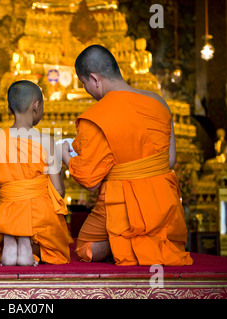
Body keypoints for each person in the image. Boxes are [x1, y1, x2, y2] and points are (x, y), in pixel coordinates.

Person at [61, 45, 193, 266]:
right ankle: (149, 239)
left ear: (95, 79)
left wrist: (65, 155)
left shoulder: (96, 117)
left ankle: (128, 242)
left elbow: (89, 181)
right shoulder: (159, 102)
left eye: (84, 84)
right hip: (164, 207)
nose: (87, 90)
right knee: (160, 235)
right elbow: (169, 161)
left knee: (85, 248)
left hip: (121, 205)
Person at [0, 80, 70, 266]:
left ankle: (12, 240)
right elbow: (58, 191)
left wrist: (13, 190)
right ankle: (27, 242)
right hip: (39, 216)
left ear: (9, 108)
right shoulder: (46, 141)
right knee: (46, 222)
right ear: (36, 106)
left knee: (12, 208)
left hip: (8, 214)